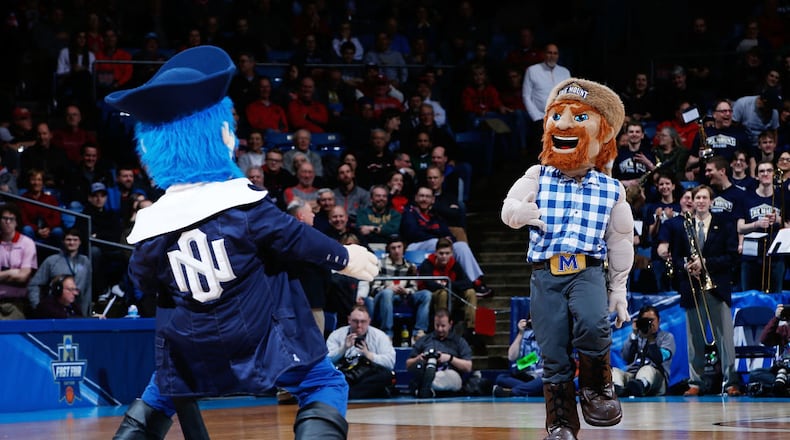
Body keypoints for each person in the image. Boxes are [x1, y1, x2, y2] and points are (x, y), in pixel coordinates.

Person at [104, 45, 379, 439]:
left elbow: (142, 280)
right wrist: (343, 256)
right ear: (223, 135)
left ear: (149, 151)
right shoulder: (244, 205)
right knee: (323, 382)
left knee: (163, 387)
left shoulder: (152, 226)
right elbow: (294, 237)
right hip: (261, 339)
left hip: (192, 345)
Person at [502, 78, 632, 439]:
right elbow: (509, 207)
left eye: (578, 118)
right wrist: (519, 214)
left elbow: (620, 240)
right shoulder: (538, 175)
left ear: (603, 135)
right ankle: (560, 421)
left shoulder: (611, 188)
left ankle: (596, 387)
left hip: (587, 270)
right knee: (552, 348)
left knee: (593, 324)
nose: (563, 125)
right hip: (545, 273)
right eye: (557, 115)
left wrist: (618, 289)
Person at [657, 184, 741, 397]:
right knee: (694, 338)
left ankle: (730, 381)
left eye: (705, 198)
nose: (701, 201)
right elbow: (675, 258)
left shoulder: (723, 224)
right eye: (698, 198)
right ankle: (695, 382)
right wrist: (686, 266)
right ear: (692, 202)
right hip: (692, 287)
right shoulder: (683, 225)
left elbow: (731, 257)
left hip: (717, 288)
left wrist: (706, 263)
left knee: (724, 337)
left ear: (711, 201)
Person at [402, 186, 491, 297]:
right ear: (416, 198)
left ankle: (476, 282)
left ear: (432, 200)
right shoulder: (410, 212)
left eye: (427, 196)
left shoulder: (434, 215)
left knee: (461, 246)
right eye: (421, 196)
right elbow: (413, 234)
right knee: (436, 242)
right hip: (415, 247)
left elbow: (448, 234)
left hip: (435, 245)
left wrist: (449, 240)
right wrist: (439, 237)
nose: (424, 199)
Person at [368, 236, 431, 340]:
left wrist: (406, 291)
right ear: (388, 249)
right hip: (385, 298)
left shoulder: (410, 266)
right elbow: (374, 289)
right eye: (393, 248)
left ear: (403, 248)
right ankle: (387, 334)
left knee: (426, 294)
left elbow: (414, 288)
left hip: (404, 297)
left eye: (399, 247)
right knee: (387, 293)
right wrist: (388, 288)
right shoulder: (380, 264)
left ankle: (419, 332)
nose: (397, 251)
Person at [326, 305, 395, 399]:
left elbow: (390, 363)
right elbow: (327, 361)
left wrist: (369, 355)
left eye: (363, 322)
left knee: (386, 375)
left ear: (369, 321)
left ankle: (347, 394)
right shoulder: (337, 335)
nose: (359, 325)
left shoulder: (380, 336)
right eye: (355, 321)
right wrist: (343, 349)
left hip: (367, 375)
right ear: (349, 320)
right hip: (345, 374)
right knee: (328, 376)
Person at [737, 160, 785, 293]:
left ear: (774, 174)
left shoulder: (783, 197)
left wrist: (778, 219)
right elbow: (740, 227)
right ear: (756, 176)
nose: (765, 174)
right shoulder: (746, 197)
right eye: (761, 171)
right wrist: (756, 224)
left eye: (769, 170)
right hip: (751, 257)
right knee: (749, 298)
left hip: (775, 256)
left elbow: (788, 226)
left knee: (775, 300)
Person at [417, 238, 479, 338]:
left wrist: (448, 284)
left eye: (447, 253)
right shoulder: (427, 264)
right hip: (432, 297)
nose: (444, 256)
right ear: (436, 253)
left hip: (452, 294)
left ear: (451, 253)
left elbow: (467, 283)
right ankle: (442, 326)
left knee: (470, 292)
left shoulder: (454, 264)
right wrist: (447, 286)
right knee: (443, 293)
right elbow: (429, 284)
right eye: (441, 253)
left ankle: (471, 328)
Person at [406, 308, 473, 398]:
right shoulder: (425, 340)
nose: (440, 329)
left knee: (445, 377)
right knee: (421, 370)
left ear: (450, 324)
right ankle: (428, 389)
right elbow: (408, 364)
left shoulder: (459, 341)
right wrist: (419, 358)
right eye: (437, 325)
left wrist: (450, 358)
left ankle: (425, 387)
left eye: (443, 326)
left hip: (449, 374)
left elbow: (468, 366)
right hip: (427, 370)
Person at [613, 305, 676, 397]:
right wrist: (634, 335)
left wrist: (651, 339)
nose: (649, 323)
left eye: (652, 320)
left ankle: (640, 386)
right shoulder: (636, 338)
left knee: (646, 369)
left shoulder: (666, 337)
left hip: (656, 378)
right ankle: (618, 389)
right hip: (633, 375)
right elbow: (626, 357)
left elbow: (659, 358)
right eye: (645, 321)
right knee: (614, 371)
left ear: (659, 321)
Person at [27, 228, 92, 317]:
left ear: (80, 242)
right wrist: (38, 307)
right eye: (68, 240)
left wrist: (84, 314)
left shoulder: (85, 261)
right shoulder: (51, 261)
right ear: (63, 241)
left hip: (77, 312)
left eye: (75, 240)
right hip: (54, 312)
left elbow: (87, 289)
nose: (72, 243)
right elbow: (34, 284)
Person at [521, 43, 571, 156]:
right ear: (544, 54)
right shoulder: (532, 70)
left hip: (560, 118)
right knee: (540, 154)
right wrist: (536, 117)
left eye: (555, 53)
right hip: (539, 118)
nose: (552, 56)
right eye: (549, 52)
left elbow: (569, 95)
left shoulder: (565, 72)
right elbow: (526, 96)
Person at [0, 203, 37, 320]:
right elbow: (18, 275)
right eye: (4, 218)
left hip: (17, 304)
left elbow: (24, 276)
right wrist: (12, 273)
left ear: (17, 222)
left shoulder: (27, 243)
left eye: (11, 219)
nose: (8, 222)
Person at [492, 318, 544, 397]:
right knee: (501, 378)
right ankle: (530, 390)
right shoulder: (525, 335)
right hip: (527, 376)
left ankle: (513, 392)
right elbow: (511, 357)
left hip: (541, 377)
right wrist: (520, 332)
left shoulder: (549, 337)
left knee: (543, 381)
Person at [19, 168, 64, 246]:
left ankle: (57, 256)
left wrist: (49, 228)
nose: (36, 183)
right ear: (29, 181)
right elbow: (23, 220)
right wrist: (37, 230)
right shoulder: (23, 199)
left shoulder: (51, 199)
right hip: (32, 230)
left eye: (39, 180)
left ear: (43, 183)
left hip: (49, 231)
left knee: (58, 231)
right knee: (26, 229)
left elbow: (57, 218)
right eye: (33, 180)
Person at [758, 303, 790, 396]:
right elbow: (764, 339)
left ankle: (778, 385)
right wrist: (776, 318)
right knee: (755, 374)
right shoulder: (783, 330)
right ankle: (783, 384)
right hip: (781, 369)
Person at [332, 162, 370, 226]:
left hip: (357, 227)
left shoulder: (364, 194)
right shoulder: (333, 194)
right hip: (337, 225)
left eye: (348, 171)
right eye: (342, 173)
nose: (345, 175)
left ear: (353, 174)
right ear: (338, 177)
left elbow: (366, 216)